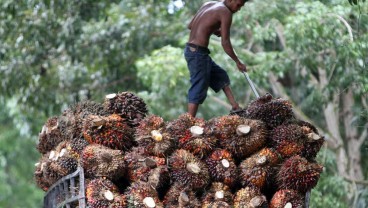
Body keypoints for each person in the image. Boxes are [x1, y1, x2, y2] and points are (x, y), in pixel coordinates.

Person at [184, 0, 248, 117]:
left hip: (193, 50)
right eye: (238, 5)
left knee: (220, 75)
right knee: (199, 85)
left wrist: (212, 29)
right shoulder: (225, 12)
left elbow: (190, 25)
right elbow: (225, 42)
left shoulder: (208, 4)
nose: (238, 9)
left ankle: (235, 107)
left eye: (241, 6)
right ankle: (189, 121)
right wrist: (237, 61)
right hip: (198, 53)